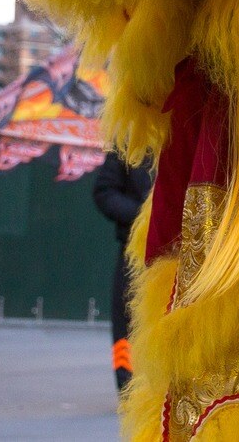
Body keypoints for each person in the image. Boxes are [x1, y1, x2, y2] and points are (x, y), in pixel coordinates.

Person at [91, 153, 152, 391]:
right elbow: (104, 191)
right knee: (127, 323)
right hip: (135, 250)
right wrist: (143, 216)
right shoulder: (129, 141)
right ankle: (128, 389)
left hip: (181, 252)